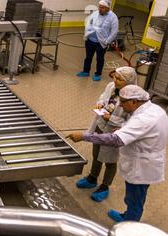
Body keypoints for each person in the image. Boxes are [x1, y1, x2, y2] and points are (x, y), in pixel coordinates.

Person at [67, 85, 168, 223]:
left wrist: (84, 136)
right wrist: (124, 127)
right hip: (148, 160)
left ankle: (129, 225)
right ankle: (128, 216)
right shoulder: (154, 109)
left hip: (141, 167)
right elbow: (141, 130)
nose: (120, 104)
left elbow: (116, 139)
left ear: (134, 102)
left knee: (135, 199)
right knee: (135, 197)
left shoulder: (143, 119)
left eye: (123, 101)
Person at [76, 67, 137, 202]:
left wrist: (111, 118)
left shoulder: (132, 99)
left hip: (114, 132)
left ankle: (105, 186)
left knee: (110, 160)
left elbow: (130, 121)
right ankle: (92, 177)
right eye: (115, 77)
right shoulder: (111, 86)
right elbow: (103, 97)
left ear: (129, 82)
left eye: (120, 79)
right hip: (100, 125)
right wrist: (99, 105)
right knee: (96, 154)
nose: (115, 80)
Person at [77, 0, 118, 81]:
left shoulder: (113, 17)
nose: (100, 9)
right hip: (90, 40)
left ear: (107, 8)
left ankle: (98, 74)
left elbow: (114, 31)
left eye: (102, 8)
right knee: (88, 57)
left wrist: (107, 41)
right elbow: (88, 23)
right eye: (99, 7)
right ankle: (86, 71)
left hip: (101, 42)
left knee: (100, 58)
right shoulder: (95, 13)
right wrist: (87, 34)